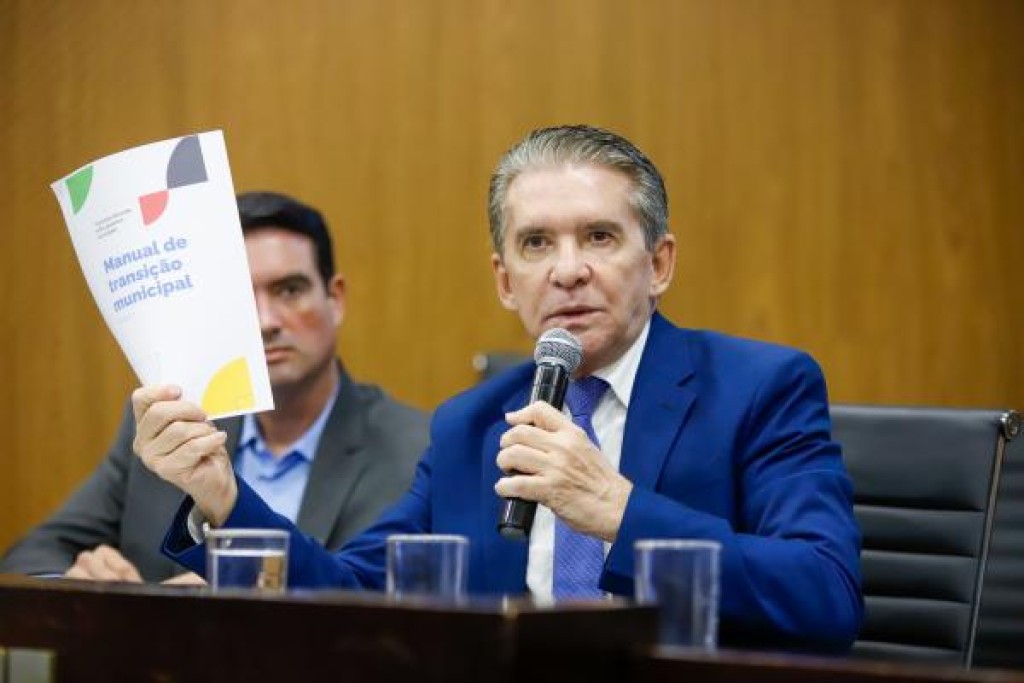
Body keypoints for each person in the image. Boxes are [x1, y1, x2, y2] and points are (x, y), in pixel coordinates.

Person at [133, 126, 862, 651]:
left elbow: (826, 594)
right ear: (505, 280)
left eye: (599, 237)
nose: (567, 270)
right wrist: (223, 498)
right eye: (536, 243)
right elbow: (349, 595)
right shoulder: (472, 425)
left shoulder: (761, 388)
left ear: (659, 264)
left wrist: (618, 509)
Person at [1, 191, 429, 583]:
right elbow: (30, 558)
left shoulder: (416, 450)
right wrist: (85, 587)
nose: (265, 321)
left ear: (335, 299)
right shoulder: (173, 429)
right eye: (240, 297)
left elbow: (372, 603)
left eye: (290, 290)